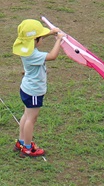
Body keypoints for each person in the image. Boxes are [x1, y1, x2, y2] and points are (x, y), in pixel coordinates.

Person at [13, 19, 66, 158]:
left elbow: (34, 39)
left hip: (26, 88)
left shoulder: (26, 49)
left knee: (26, 115)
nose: (42, 39)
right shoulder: (34, 55)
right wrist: (58, 40)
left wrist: (51, 32)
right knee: (31, 119)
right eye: (41, 37)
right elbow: (52, 56)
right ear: (35, 41)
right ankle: (27, 148)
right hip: (34, 92)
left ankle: (21, 142)